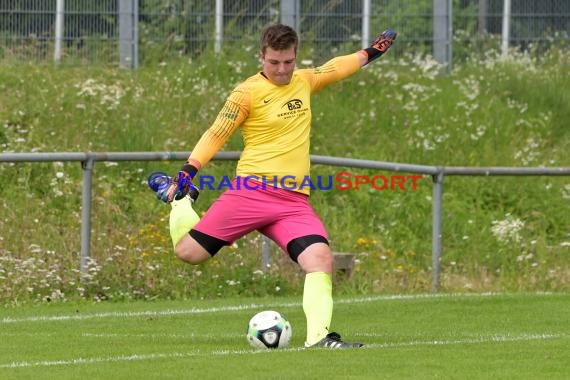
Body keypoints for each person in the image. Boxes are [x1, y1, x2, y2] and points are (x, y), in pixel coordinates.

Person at [155, 23, 397, 348]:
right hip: (251, 193)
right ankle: (182, 201)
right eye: (274, 62)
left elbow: (335, 68)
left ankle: (320, 338)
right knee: (188, 253)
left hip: (293, 203)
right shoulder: (246, 92)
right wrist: (188, 171)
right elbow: (216, 133)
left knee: (320, 258)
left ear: (295, 57)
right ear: (262, 57)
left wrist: (369, 53)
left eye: (288, 62)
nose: (282, 70)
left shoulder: (304, 81)